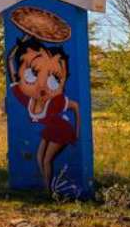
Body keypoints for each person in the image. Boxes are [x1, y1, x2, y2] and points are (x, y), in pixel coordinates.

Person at [8, 35, 80, 191]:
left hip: (62, 130)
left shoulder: (55, 102)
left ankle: (48, 190)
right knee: (39, 157)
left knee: (46, 160)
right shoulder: (27, 101)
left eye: (53, 81)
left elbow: (75, 106)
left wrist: (77, 131)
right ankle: (46, 186)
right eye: (32, 75)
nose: (42, 85)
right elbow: (11, 63)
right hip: (50, 130)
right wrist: (23, 41)